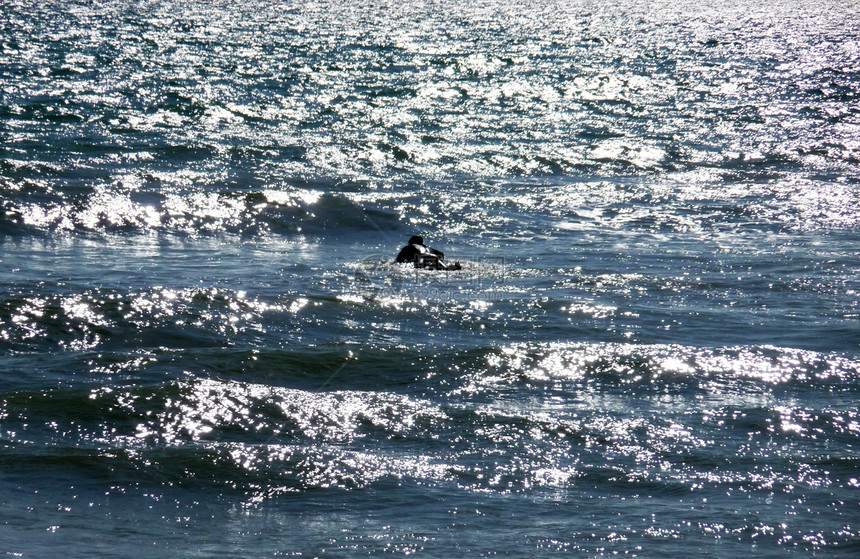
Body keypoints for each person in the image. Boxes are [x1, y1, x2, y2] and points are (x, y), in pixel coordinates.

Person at [396, 235, 460, 270]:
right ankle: (456, 266)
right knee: (446, 269)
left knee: (419, 266)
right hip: (433, 258)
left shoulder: (409, 247)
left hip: (421, 258)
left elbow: (398, 261)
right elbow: (441, 254)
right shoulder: (427, 248)